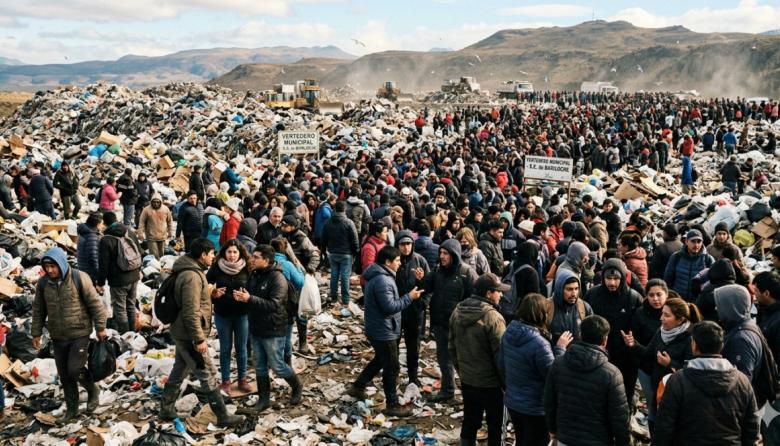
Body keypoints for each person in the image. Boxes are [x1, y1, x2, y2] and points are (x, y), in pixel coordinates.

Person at [158, 238, 245, 427]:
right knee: (206, 374)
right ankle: (222, 416)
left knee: (179, 369)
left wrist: (210, 296)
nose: (214, 257)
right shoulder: (191, 276)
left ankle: (166, 408)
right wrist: (198, 339)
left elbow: (194, 302)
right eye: (212, 253)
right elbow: (190, 312)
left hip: (181, 331)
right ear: (203, 255)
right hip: (189, 335)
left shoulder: (190, 271)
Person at [31, 247, 107, 423]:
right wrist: (36, 332)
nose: (50, 270)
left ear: (61, 264)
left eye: (53, 266)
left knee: (75, 369)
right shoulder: (43, 284)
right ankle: (72, 411)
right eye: (46, 266)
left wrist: (101, 327)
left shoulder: (79, 278)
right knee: (64, 375)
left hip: (79, 332)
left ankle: (92, 390)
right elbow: (39, 309)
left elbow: (96, 304)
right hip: (58, 335)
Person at [652, 321, 759, 445]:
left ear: (694, 345)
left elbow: (664, 427)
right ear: (722, 345)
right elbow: (752, 428)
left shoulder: (678, 380)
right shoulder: (742, 381)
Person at [346, 246, 424, 417]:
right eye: (396, 261)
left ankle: (358, 386)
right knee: (392, 366)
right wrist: (409, 297)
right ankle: (392, 404)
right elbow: (390, 307)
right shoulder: (383, 280)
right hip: (383, 330)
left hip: (378, 327)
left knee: (381, 359)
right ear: (387, 262)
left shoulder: (381, 276)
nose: (399, 264)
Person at [543, 315, 630, 446]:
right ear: (605, 341)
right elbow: (620, 419)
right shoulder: (612, 374)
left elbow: (549, 402)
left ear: (580, 335)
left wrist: (553, 430)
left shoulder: (558, 364)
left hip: (565, 437)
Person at [235, 244, 303, 410]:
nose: (252, 259)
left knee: (277, 365)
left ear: (266, 260)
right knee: (259, 365)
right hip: (256, 327)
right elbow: (252, 297)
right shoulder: (255, 274)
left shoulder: (277, 278)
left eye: (256, 257)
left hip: (273, 328)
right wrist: (242, 297)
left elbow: (274, 304)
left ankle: (297, 386)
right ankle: (263, 400)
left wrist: (249, 299)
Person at [621, 297, 701, 434]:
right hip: (657, 388)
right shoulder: (661, 331)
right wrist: (633, 344)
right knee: (654, 421)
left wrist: (669, 364)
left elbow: (693, 371)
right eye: (662, 313)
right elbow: (648, 353)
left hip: (676, 393)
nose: (661, 318)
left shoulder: (690, 338)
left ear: (680, 319)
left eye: (667, 315)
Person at [501, 293, 571, 446]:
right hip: (534, 407)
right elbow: (553, 375)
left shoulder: (508, 332)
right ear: (540, 314)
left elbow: (502, 366)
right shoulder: (539, 343)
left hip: (513, 402)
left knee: (521, 439)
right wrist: (560, 349)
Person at [449, 273, 507, 446]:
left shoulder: (458, 310)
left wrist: (462, 371)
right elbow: (501, 356)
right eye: (498, 291)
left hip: (468, 380)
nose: (501, 295)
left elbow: (451, 347)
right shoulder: (493, 318)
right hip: (491, 384)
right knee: (496, 426)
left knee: (470, 420)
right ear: (489, 293)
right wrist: (506, 383)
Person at [585, 258, 643, 409]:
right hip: (598, 354)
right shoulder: (592, 295)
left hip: (625, 357)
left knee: (624, 394)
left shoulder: (633, 297)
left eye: (616, 278)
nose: (612, 283)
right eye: (608, 278)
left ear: (622, 278)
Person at [425, 239, 478, 402]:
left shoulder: (466, 272)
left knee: (462, 361)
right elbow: (427, 287)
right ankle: (447, 390)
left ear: (454, 255)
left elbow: (475, 298)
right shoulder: (437, 271)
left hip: (460, 326)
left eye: (445, 253)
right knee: (444, 359)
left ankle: (470, 394)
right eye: (441, 253)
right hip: (441, 323)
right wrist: (421, 279)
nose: (442, 256)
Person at [206, 239, 251, 393]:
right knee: (225, 349)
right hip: (222, 314)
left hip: (242, 314)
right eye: (229, 252)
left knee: (241, 348)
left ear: (240, 253)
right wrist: (213, 294)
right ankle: (225, 380)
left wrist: (248, 297)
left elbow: (255, 288)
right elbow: (205, 286)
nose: (232, 255)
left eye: (235, 252)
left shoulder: (247, 268)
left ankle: (242, 380)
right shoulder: (217, 267)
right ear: (224, 253)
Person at [715, 283, 771, 406]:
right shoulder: (746, 324)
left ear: (731, 306)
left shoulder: (740, 340)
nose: (716, 308)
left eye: (720, 304)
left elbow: (741, 386)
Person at [97, 212, 142, 334]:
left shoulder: (105, 240)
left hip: (118, 280)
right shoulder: (129, 232)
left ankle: (125, 335)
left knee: (120, 308)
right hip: (134, 275)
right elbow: (140, 252)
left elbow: (103, 264)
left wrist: (100, 282)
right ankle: (133, 334)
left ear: (105, 223)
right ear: (116, 219)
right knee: (131, 305)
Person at [395, 229, 429, 385]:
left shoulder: (420, 260)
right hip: (396, 311)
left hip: (415, 312)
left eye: (408, 244)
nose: (405, 248)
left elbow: (428, 287)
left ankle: (413, 377)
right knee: (393, 344)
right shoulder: (393, 260)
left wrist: (423, 303)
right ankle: (393, 373)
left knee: (413, 347)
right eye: (402, 244)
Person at [269, 238, 304, 365]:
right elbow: (300, 282)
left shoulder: (267, 262)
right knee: (286, 337)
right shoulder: (288, 265)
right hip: (286, 305)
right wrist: (298, 267)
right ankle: (286, 363)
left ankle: (272, 362)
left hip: (268, 305)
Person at [321, 200, 360, 305]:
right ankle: (345, 299)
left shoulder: (328, 222)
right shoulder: (349, 222)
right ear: (345, 209)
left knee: (334, 275)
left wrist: (324, 250)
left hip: (332, 253)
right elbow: (355, 240)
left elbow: (323, 238)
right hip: (346, 254)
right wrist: (356, 252)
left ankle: (333, 296)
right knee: (345, 277)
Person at [664, 229, 714, 302]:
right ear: (686, 241)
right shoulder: (676, 257)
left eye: (699, 241)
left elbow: (713, 282)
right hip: (678, 300)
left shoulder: (708, 259)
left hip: (698, 302)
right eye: (693, 241)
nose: (696, 245)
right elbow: (668, 278)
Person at [548, 268, 591, 347]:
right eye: (569, 289)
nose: (574, 294)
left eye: (576, 289)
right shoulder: (546, 307)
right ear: (560, 289)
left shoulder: (584, 307)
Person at [137, 193, 174, 259]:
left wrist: (170, 232)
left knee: (161, 254)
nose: (156, 204)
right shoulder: (146, 210)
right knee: (154, 255)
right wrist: (140, 233)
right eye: (154, 202)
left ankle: (159, 268)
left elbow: (170, 221)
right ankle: (155, 267)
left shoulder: (165, 209)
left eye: (158, 202)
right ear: (151, 202)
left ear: (161, 202)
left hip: (162, 236)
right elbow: (141, 222)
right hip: (151, 236)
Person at [755, 271, 780, 362]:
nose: (755, 295)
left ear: (766, 293)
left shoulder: (777, 321)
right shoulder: (764, 308)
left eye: (756, 291)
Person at [76, 212, 103, 284]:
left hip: (83, 268)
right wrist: (98, 275)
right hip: (89, 272)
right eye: (101, 223)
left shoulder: (84, 231)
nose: (103, 225)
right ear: (97, 224)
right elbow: (93, 258)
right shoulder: (91, 236)